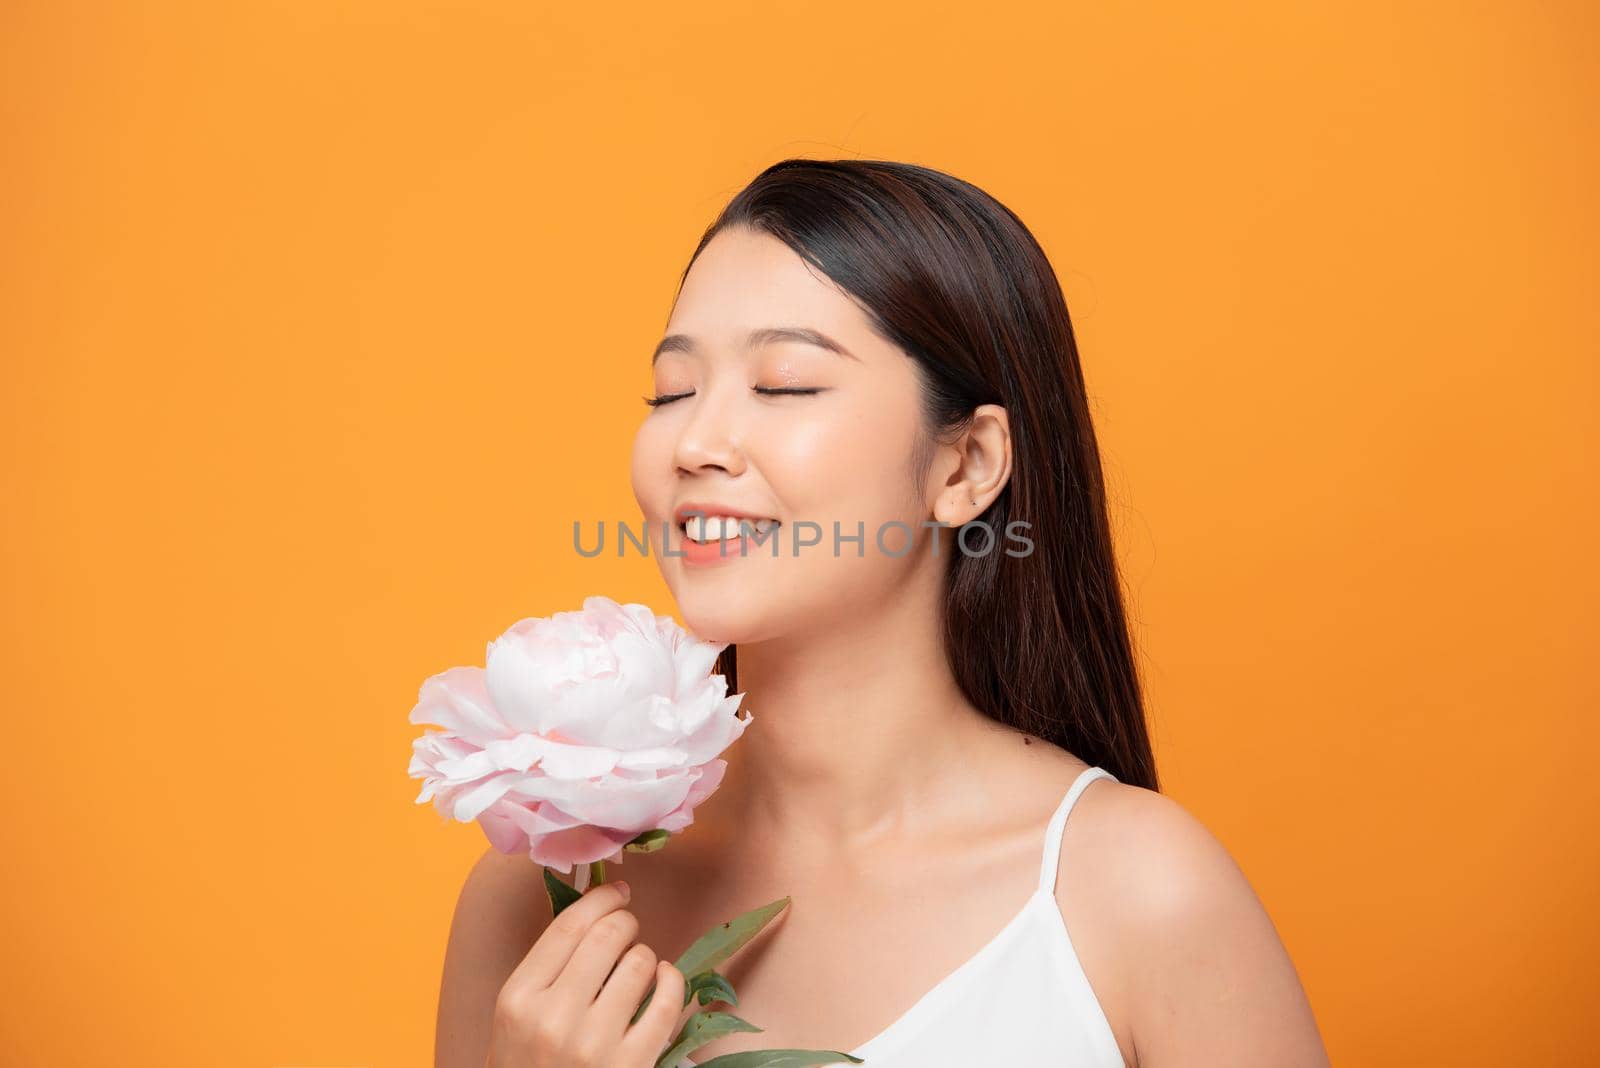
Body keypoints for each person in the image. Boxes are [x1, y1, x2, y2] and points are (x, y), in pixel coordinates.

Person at [432, 158, 1331, 1067]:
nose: (695, 443)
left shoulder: (1137, 897)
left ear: (966, 466)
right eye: (671, 392)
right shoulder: (540, 904)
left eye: (784, 384)